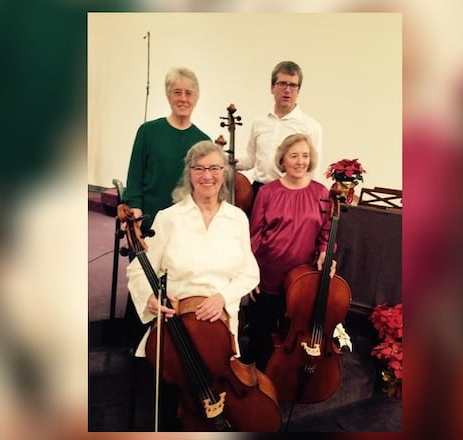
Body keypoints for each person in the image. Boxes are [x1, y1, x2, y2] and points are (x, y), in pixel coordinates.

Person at [125, 140, 259, 430]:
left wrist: (223, 297)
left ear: (223, 173)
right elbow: (138, 269)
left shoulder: (236, 219)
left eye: (214, 168)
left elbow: (250, 272)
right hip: (177, 327)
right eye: (199, 168)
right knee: (174, 402)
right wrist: (149, 297)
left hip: (221, 331)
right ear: (190, 173)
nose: (207, 175)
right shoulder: (169, 218)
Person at [243, 133, 336, 372]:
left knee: (291, 334)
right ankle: (255, 383)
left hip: (302, 280)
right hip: (268, 275)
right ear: (282, 159)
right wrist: (251, 274)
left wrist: (326, 253)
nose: (300, 161)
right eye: (294, 155)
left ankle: (284, 379)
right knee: (260, 334)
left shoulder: (321, 193)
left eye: (305, 156)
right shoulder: (267, 192)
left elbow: (326, 232)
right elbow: (254, 235)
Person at [117, 66, 211, 231]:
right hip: (148, 220)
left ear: (196, 98)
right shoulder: (148, 131)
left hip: (185, 225)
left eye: (188, 93)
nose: (183, 98)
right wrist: (135, 207)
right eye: (177, 92)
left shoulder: (203, 141)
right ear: (168, 96)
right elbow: (134, 178)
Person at [237, 61, 323, 203]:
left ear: (298, 90)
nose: (287, 90)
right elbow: (251, 160)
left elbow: (313, 173)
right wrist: (225, 160)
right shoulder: (259, 121)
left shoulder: (311, 126)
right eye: (282, 84)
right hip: (259, 192)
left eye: (293, 85)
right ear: (272, 87)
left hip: (290, 195)